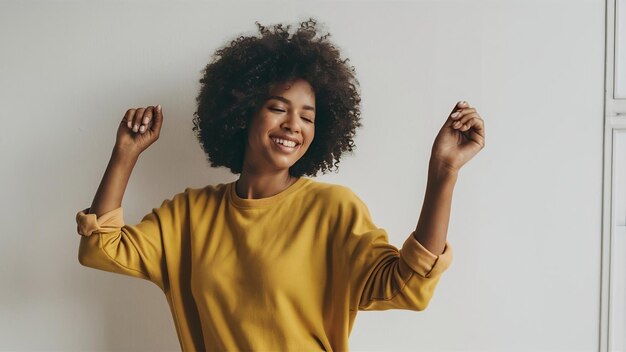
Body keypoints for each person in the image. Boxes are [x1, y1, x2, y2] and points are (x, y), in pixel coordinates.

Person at [75, 18, 485, 351]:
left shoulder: (332, 210)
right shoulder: (189, 215)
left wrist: (443, 174)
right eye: (277, 108)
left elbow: (408, 286)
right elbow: (100, 248)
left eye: (307, 116)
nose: (293, 126)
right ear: (242, 114)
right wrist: (125, 154)